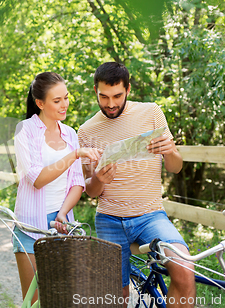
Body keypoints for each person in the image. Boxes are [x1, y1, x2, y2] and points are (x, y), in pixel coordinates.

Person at [78, 62, 196, 307]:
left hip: (151, 216)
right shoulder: (86, 131)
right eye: (104, 97)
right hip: (109, 218)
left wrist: (171, 152)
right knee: (116, 297)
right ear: (95, 91)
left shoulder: (151, 112)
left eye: (117, 96)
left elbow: (175, 167)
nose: (111, 104)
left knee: (184, 268)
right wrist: (98, 179)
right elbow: (90, 192)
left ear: (128, 89)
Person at [13, 72, 102, 301]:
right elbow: (38, 178)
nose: (64, 105)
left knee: (63, 298)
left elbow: (77, 182)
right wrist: (73, 155)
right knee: (34, 299)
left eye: (66, 97)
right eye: (57, 100)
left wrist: (63, 213)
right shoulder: (25, 131)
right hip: (29, 225)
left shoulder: (70, 133)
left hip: (62, 223)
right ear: (40, 103)